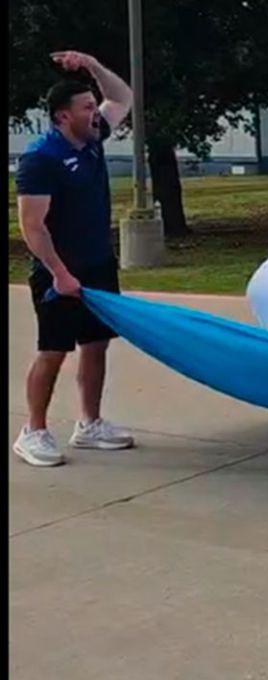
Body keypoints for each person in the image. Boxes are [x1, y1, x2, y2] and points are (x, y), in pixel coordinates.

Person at [13, 51, 136, 468]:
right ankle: (33, 431)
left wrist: (93, 66)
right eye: (86, 108)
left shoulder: (92, 139)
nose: (96, 113)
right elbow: (32, 225)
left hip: (98, 263)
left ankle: (89, 424)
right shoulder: (40, 159)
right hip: (59, 273)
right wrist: (59, 273)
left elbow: (122, 98)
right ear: (63, 117)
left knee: (96, 344)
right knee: (53, 349)